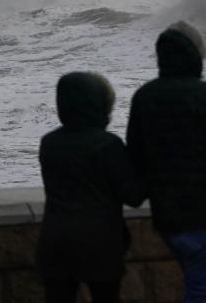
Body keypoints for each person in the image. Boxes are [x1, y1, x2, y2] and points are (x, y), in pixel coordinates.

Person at [126, 21, 206, 303]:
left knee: (201, 286)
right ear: (196, 55)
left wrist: (150, 193)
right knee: (202, 292)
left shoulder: (145, 96)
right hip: (203, 216)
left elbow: (135, 157)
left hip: (167, 218)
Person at [36, 72, 145, 303]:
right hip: (101, 245)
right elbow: (133, 196)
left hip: (55, 242)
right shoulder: (108, 146)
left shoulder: (49, 143)